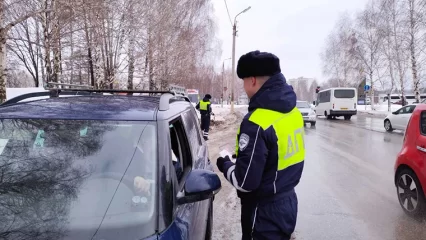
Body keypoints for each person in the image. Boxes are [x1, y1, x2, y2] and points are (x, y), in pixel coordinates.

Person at [216, 50, 305, 240]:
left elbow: (246, 183)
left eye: (244, 80)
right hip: (288, 202)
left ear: (253, 80)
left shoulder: (256, 122)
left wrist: (225, 163)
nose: (244, 86)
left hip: (262, 213)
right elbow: (276, 155)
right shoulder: (293, 112)